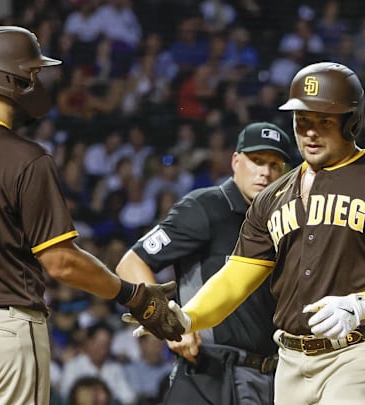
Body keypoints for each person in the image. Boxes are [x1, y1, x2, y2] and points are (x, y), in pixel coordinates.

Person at [0, 26, 184, 405]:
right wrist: (132, 296)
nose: (38, 82)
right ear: (11, 77)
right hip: (2, 335)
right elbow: (61, 263)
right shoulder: (25, 157)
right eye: (33, 73)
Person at [130, 62, 365, 405]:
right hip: (289, 362)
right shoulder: (273, 196)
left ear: (351, 122)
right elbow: (237, 275)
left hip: (361, 350)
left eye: (324, 121)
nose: (309, 132)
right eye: (302, 120)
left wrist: (361, 304)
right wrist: (190, 317)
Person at [117, 121, 295, 404]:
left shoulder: (287, 221)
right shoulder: (206, 206)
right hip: (209, 371)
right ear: (236, 161)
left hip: (275, 376)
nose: (265, 172)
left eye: (275, 165)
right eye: (257, 160)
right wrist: (167, 325)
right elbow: (132, 262)